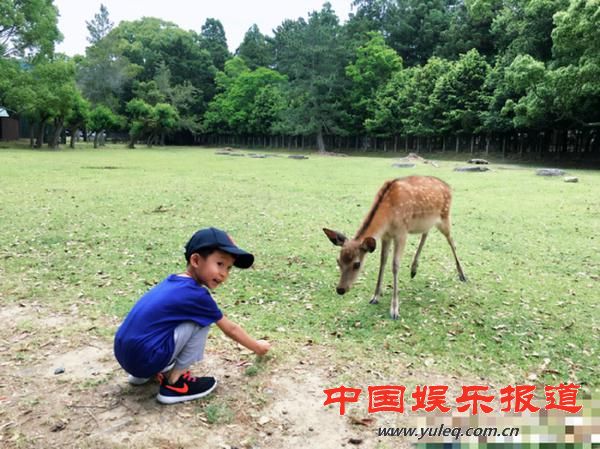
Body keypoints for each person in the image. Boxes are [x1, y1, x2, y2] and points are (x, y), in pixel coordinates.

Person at [114, 227, 271, 404]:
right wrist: (258, 347)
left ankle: (143, 373)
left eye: (228, 268)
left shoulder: (174, 280)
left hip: (125, 355)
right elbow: (231, 329)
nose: (224, 274)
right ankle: (175, 383)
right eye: (219, 264)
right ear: (196, 260)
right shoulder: (196, 295)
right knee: (202, 321)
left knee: (177, 321)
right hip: (144, 357)